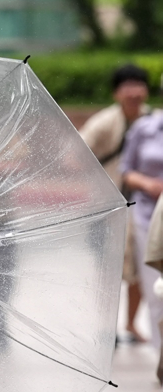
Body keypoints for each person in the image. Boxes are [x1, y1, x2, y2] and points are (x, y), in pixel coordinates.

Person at [80, 64, 151, 342]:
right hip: (106, 208)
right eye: (127, 85)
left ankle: (131, 324)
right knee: (106, 270)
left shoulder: (153, 122)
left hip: (143, 208)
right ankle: (105, 330)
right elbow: (78, 151)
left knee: (140, 267)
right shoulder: (103, 122)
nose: (133, 91)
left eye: (138, 84)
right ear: (116, 92)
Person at [121, 78, 163, 349]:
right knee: (157, 292)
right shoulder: (144, 128)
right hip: (151, 219)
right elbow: (126, 170)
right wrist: (148, 184)